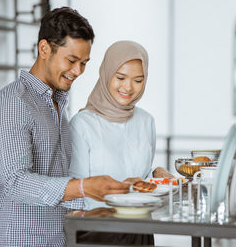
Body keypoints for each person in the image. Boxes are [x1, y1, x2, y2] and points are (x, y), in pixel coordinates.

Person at [0, 7, 130, 247]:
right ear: (44, 49)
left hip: (60, 238)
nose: (78, 72)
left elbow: (57, 180)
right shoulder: (13, 103)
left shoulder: (57, 102)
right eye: (72, 60)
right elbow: (15, 183)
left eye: (84, 63)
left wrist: (114, 188)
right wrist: (83, 187)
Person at [69, 40, 173, 212]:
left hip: (141, 224)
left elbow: (139, 174)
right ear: (107, 74)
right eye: (120, 78)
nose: (128, 87)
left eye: (138, 80)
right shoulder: (82, 125)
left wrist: (155, 173)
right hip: (98, 226)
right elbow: (76, 189)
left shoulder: (146, 121)